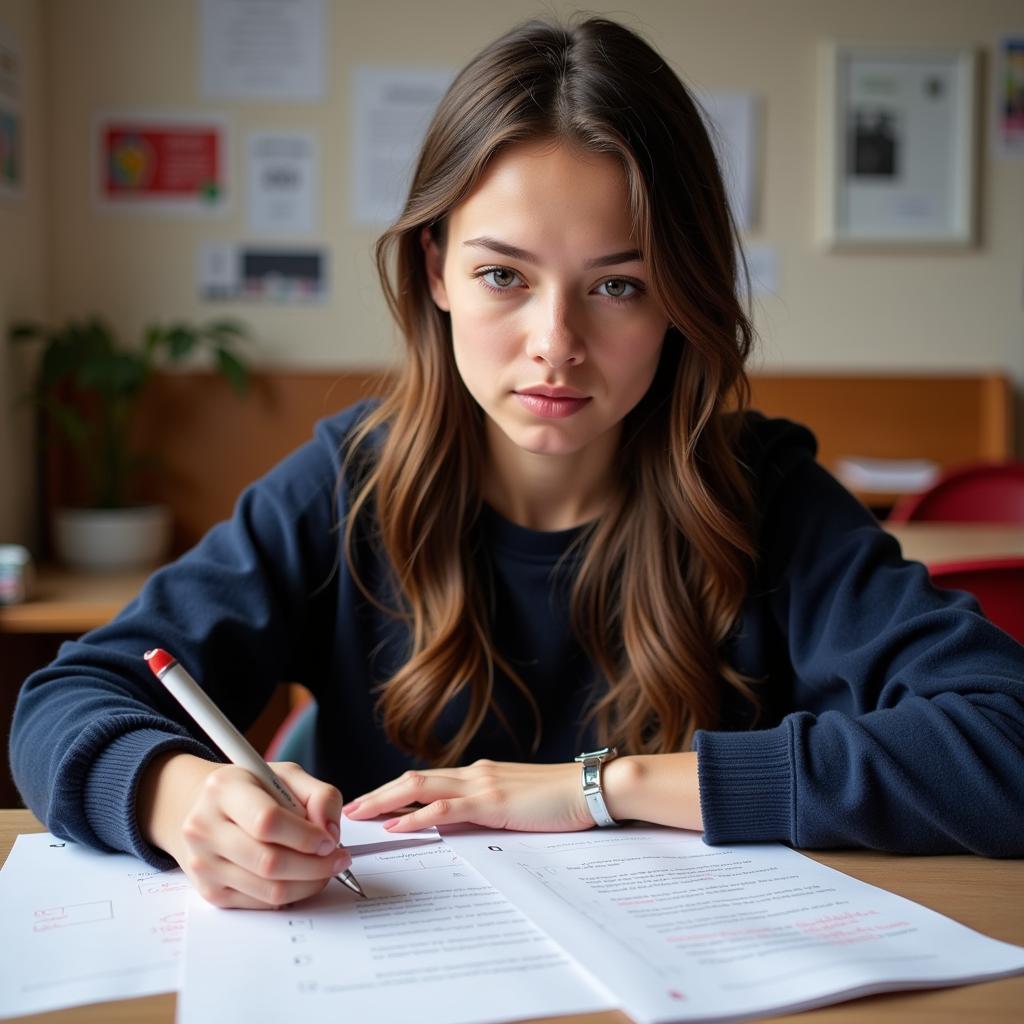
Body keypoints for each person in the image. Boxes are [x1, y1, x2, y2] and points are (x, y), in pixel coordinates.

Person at [10, 16, 1024, 912]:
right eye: (503, 274)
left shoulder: (766, 498)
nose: (555, 342)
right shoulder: (347, 485)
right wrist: (181, 798)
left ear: (680, 298)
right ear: (434, 272)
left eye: (618, 287)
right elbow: (68, 700)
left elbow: (1004, 741)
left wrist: (598, 787)